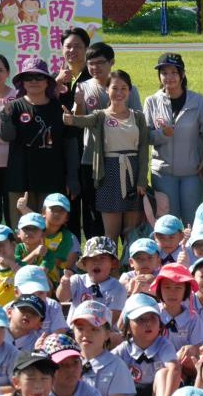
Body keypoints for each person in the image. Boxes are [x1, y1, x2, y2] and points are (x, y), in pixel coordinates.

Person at [62, 71, 149, 242]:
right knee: (111, 233)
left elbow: (144, 150)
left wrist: (142, 180)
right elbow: (79, 121)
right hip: (108, 174)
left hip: (132, 173)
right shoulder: (100, 116)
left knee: (131, 233)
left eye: (124, 88)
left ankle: (130, 266)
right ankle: (111, 268)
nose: (119, 92)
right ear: (107, 90)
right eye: (114, 88)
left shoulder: (138, 117)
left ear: (130, 91)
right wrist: (69, 118)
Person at [73, 42, 141, 239]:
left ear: (111, 62)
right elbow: (79, 123)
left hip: (124, 158)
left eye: (100, 63)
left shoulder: (128, 89)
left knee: (127, 208)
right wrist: (78, 104)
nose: (95, 68)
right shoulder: (83, 87)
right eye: (90, 63)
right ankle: (98, 256)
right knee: (95, 210)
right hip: (92, 159)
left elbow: (139, 122)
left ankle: (126, 258)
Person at [0, 57, 78, 215]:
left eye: (39, 77)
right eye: (28, 77)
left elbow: (70, 145)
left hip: (52, 179)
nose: (34, 81)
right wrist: (5, 118)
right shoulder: (13, 107)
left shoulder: (59, 108)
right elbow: (8, 136)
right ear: (22, 82)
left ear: (48, 81)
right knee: (22, 231)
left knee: (49, 230)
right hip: (19, 180)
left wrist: (72, 178)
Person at [143, 53, 203, 227]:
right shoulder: (151, 102)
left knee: (192, 222)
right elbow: (146, 137)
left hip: (192, 173)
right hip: (163, 174)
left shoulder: (197, 101)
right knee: (168, 224)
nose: (169, 77)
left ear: (182, 74)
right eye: (164, 73)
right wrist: (163, 134)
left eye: (174, 72)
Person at [56, 27, 91, 238]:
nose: (72, 51)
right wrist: (57, 83)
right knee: (68, 203)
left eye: (78, 46)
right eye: (68, 46)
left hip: (90, 149)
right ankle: (71, 253)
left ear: (86, 49)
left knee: (91, 206)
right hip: (63, 151)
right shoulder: (55, 80)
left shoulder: (93, 77)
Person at [0, 55, 15, 225]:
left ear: (8, 72)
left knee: (12, 211)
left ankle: (14, 249)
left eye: (0, 70)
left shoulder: (16, 96)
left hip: (12, 162)